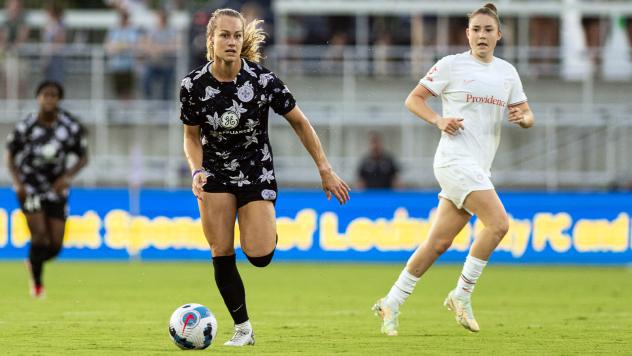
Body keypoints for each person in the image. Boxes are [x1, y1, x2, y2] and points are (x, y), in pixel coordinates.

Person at [180, 8, 350, 346]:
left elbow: (300, 122)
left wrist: (325, 168)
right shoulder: (193, 85)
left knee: (259, 255)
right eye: (224, 35)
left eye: (236, 35)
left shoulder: (262, 80)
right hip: (214, 175)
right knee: (221, 249)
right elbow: (190, 136)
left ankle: (264, 225)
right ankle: (243, 328)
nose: (231, 41)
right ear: (210, 40)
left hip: (256, 172)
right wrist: (196, 171)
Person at [372, 3, 534, 336]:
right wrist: (438, 119)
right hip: (453, 160)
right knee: (499, 223)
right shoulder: (452, 65)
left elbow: (526, 113)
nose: (481, 35)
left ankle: (391, 301)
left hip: (479, 166)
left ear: (499, 35)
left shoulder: (507, 73)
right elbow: (414, 99)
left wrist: (524, 119)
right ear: (467, 34)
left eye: (488, 30)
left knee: (438, 243)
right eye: (476, 29)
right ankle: (461, 294)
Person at [5, 80, 88, 298]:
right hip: (30, 186)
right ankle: (38, 284)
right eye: (45, 95)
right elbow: (10, 155)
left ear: (59, 99)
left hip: (56, 188)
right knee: (40, 237)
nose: (49, 99)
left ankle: (32, 261)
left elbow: (83, 156)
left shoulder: (69, 127)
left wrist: (67, 177)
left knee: (55, 245)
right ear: (38, 98)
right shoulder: (27, 126)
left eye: (53, 95)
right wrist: (18, 183)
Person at [141, 9, 178, 100]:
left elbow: (176, 46)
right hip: (152, 64)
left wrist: (159, 48)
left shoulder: (172, 30)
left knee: (167, 88)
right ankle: (149, 104)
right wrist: (161, 48)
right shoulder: (152, 30)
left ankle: (165, 109)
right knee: (145, 81)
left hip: (168, 65)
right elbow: (145, 45)